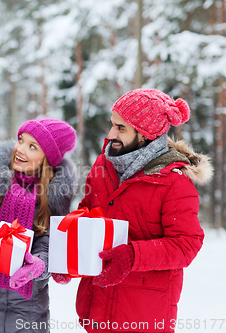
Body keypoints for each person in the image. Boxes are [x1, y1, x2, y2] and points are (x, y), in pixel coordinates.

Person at [75, 89, 212, 333]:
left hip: (142, 315)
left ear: (145, 134)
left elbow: (186, 244)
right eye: (112, 125)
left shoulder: (174, 181)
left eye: (121, 128)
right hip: (96, 310)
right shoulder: (103, 164)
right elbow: (88, 210)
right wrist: (70, 257)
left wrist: (132, 256)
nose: (111, 134)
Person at [0, 119, 77, 333]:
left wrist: (40, 265)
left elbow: (50, 243)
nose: (19, 149)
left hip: (26, 307)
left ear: (46, 160)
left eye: (32, 146)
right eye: (21, 140)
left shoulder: (55, 199)